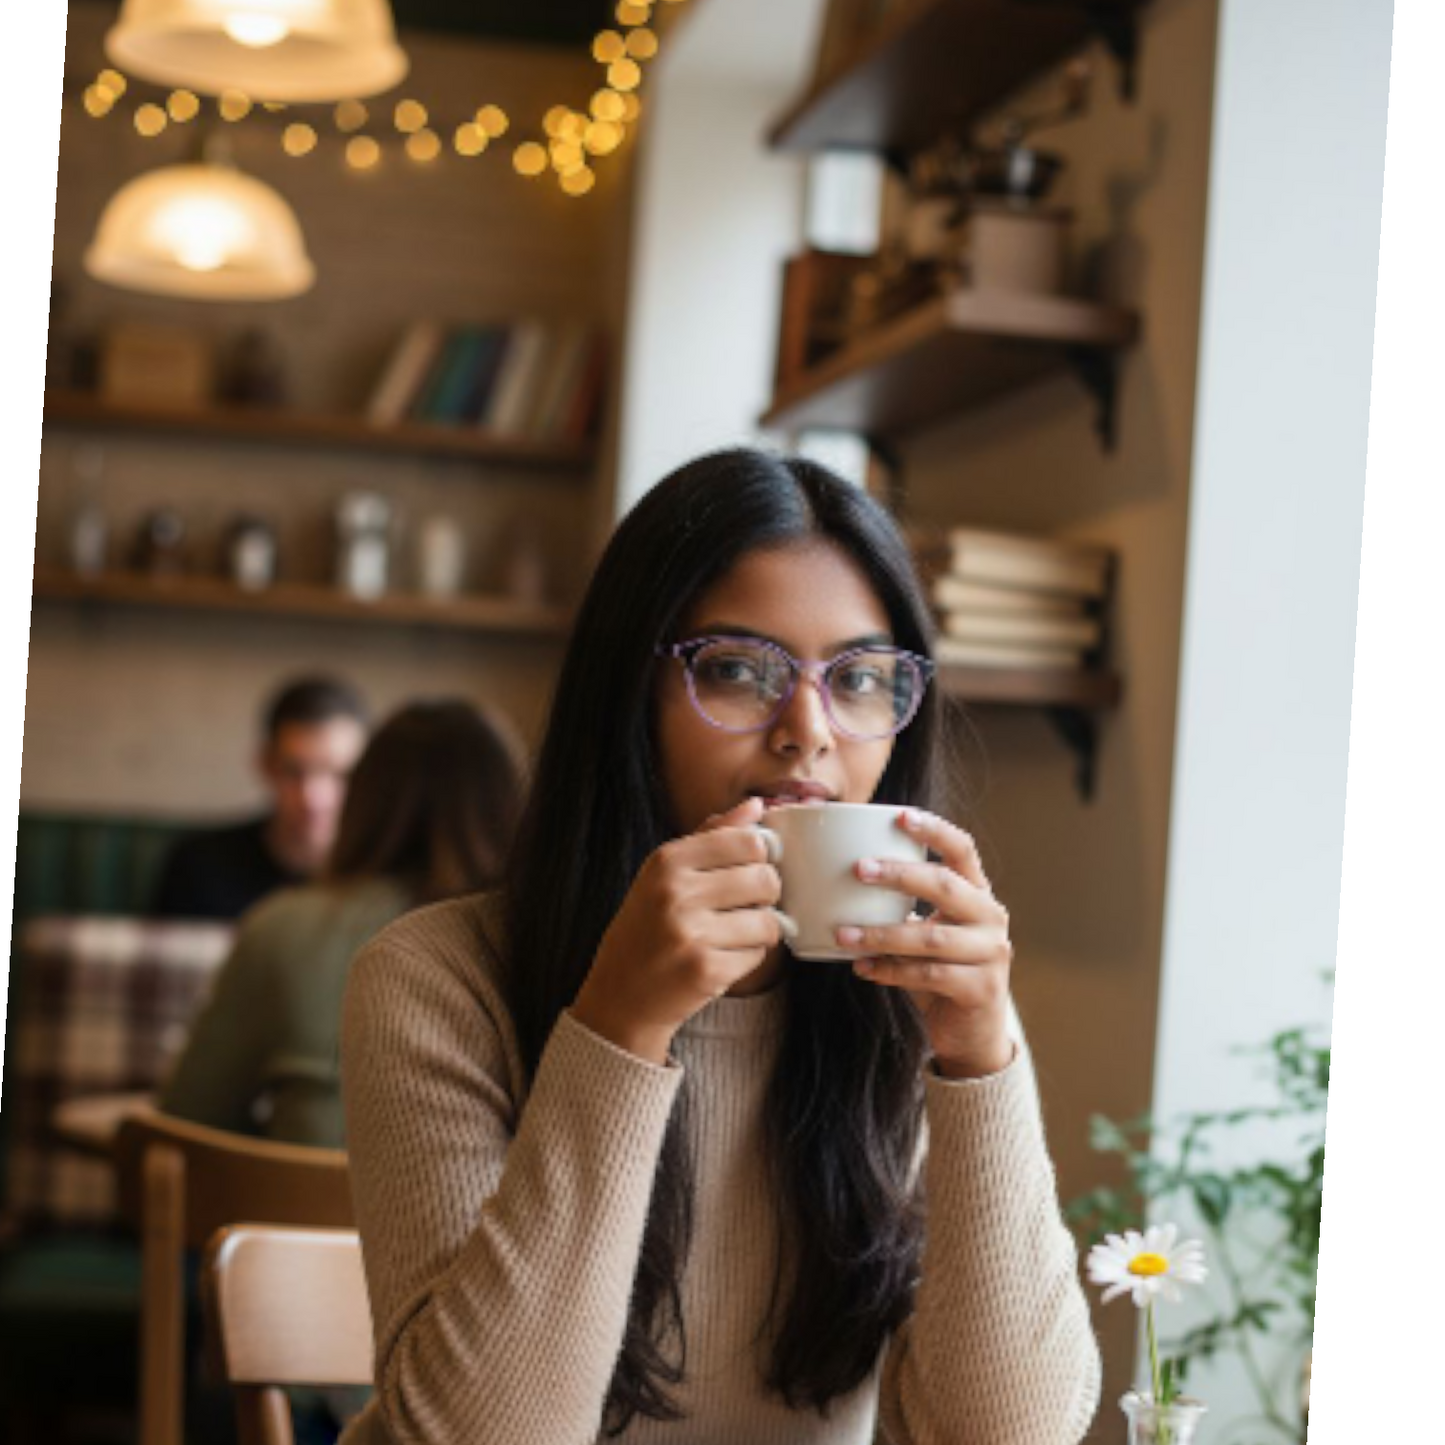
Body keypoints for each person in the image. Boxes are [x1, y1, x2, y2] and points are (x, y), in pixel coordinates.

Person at [339, 449, 1101, 1445]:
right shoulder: (435, 979)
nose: (808, 732)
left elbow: (1010, 1432)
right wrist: (617, 1024)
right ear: (629, 693)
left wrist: (979, 1060)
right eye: (738, 670)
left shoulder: (910, 997)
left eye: (861, 678)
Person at [158, 699, 525, 1146]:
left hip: (298, 1215)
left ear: (367, 797)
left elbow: (189, 1117)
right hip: (491, 1214)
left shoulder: (281, 926)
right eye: (295, 770)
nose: (314, 796)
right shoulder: (536, 939)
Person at [151, 675, 370, 921]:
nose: (314, 798)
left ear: (368, 774)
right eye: (293, 771)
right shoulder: (197, 868)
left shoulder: (386, 881)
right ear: (264, 764)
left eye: (340, 774)